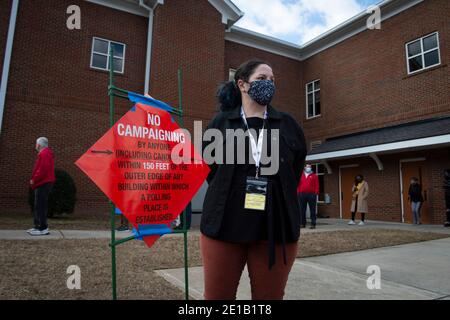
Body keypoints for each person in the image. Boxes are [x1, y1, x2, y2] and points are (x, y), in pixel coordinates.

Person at [200, 59, 306, 300]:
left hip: (276, 229)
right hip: (224, 226)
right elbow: (211, 171)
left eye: (272, 80)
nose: (268, 83)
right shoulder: (221, 123)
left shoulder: (289, 125)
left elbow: (294, 172)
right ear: (242, 84)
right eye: (261, 79)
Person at [28, 137, 55, 236]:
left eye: (36, 144)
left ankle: (42, 228)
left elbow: (43, 169)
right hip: (43, 182)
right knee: (38, 205)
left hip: (44, 182)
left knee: (40, 205)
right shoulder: (45, 153)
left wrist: (34, 179)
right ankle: (37, 226)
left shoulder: (45, 153)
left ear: (38, 145)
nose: (35, 146)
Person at [297, 164, 320, 229]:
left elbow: (317, 185)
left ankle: (313, 224)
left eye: (309, 167)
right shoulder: (301, 175)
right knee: (302, 210)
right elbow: (298, 184)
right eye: (307, 167)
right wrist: (298, 192)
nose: (308, 168)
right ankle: (302, 223)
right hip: (302, 194)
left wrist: (315, 193)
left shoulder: (314, 176)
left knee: (312, 210)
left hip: (311, 195)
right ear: (304, 167)